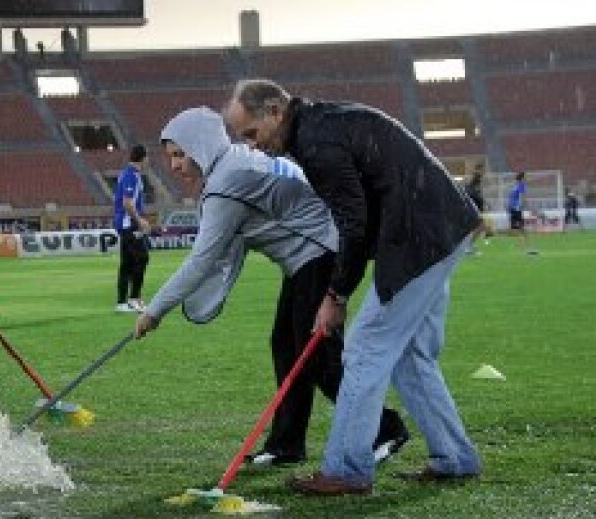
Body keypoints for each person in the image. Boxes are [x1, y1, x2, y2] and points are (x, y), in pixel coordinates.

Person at [224, 79, 482, 495]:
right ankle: (455, 458)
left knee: (365, 347)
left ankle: (346, 468)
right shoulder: (319, 125)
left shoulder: (315, 143)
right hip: (443, 228)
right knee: (411, 357)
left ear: (275, 111)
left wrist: (336, 296)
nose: (252, 146)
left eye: (251, 134)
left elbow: (353, 224)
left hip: (419, 237)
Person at [133, 107, 408, 467]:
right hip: (305, 259)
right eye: (170, 157)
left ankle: (385, 428)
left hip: (320, 253)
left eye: (181, 154)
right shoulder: (231, 165)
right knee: (286, 348)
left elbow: (201, 261)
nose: (175, 166)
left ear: (202, 147)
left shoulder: (225, 185)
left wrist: (155, 311)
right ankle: (286, 445)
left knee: (319, 356)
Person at [113, 144, 152, 313]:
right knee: (142, 258)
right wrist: (140, 221)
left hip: (123, 223)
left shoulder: (124, 174)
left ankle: (122, 303)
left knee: (127, 262)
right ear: (143, 158)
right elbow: (127, 202)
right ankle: (134, 298)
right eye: (147, 157)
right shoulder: (133, 176)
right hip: (129, 224)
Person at [508, 171, 539, 255]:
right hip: (516, 209)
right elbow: (522, 198)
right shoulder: (521, 185)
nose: (526, 179)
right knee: (521, 229)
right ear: (522, 178)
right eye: (525, 177)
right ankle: (528, 249)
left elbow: (512, 198)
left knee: (518, 230)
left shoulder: (515, 186)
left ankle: (526, 249)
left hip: (512, 209)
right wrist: (529, 208)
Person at [464, 166, 490, 253]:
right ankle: (468, 246)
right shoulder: (471, 188)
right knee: (481, 227)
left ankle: (469, 245)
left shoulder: (473, 187)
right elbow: (475, 198)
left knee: (477, 228)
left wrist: (484, 203)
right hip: (472, 211)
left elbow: (479, 198)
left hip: (474, 211)